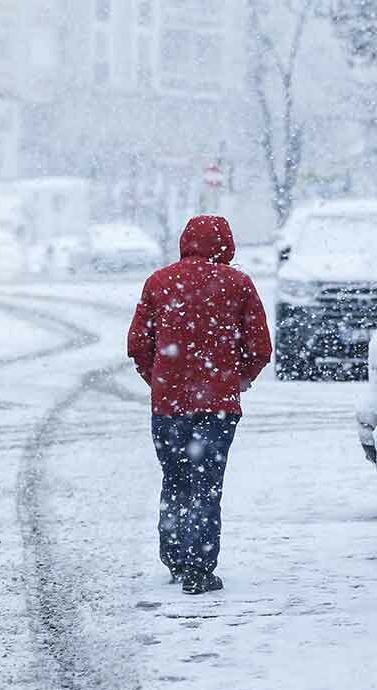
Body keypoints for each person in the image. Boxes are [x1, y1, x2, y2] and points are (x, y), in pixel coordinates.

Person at [127, 215, 273, 595]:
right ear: (226, 245)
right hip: (218, 406)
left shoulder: (159, 283)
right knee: (206, 482)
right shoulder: (238, 284)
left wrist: (158, 378)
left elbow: (137, 345)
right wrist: (239, 378)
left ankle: (175, 555)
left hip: (167, 406)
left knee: (175, 478)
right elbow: (260, 347)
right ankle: (199, 566)